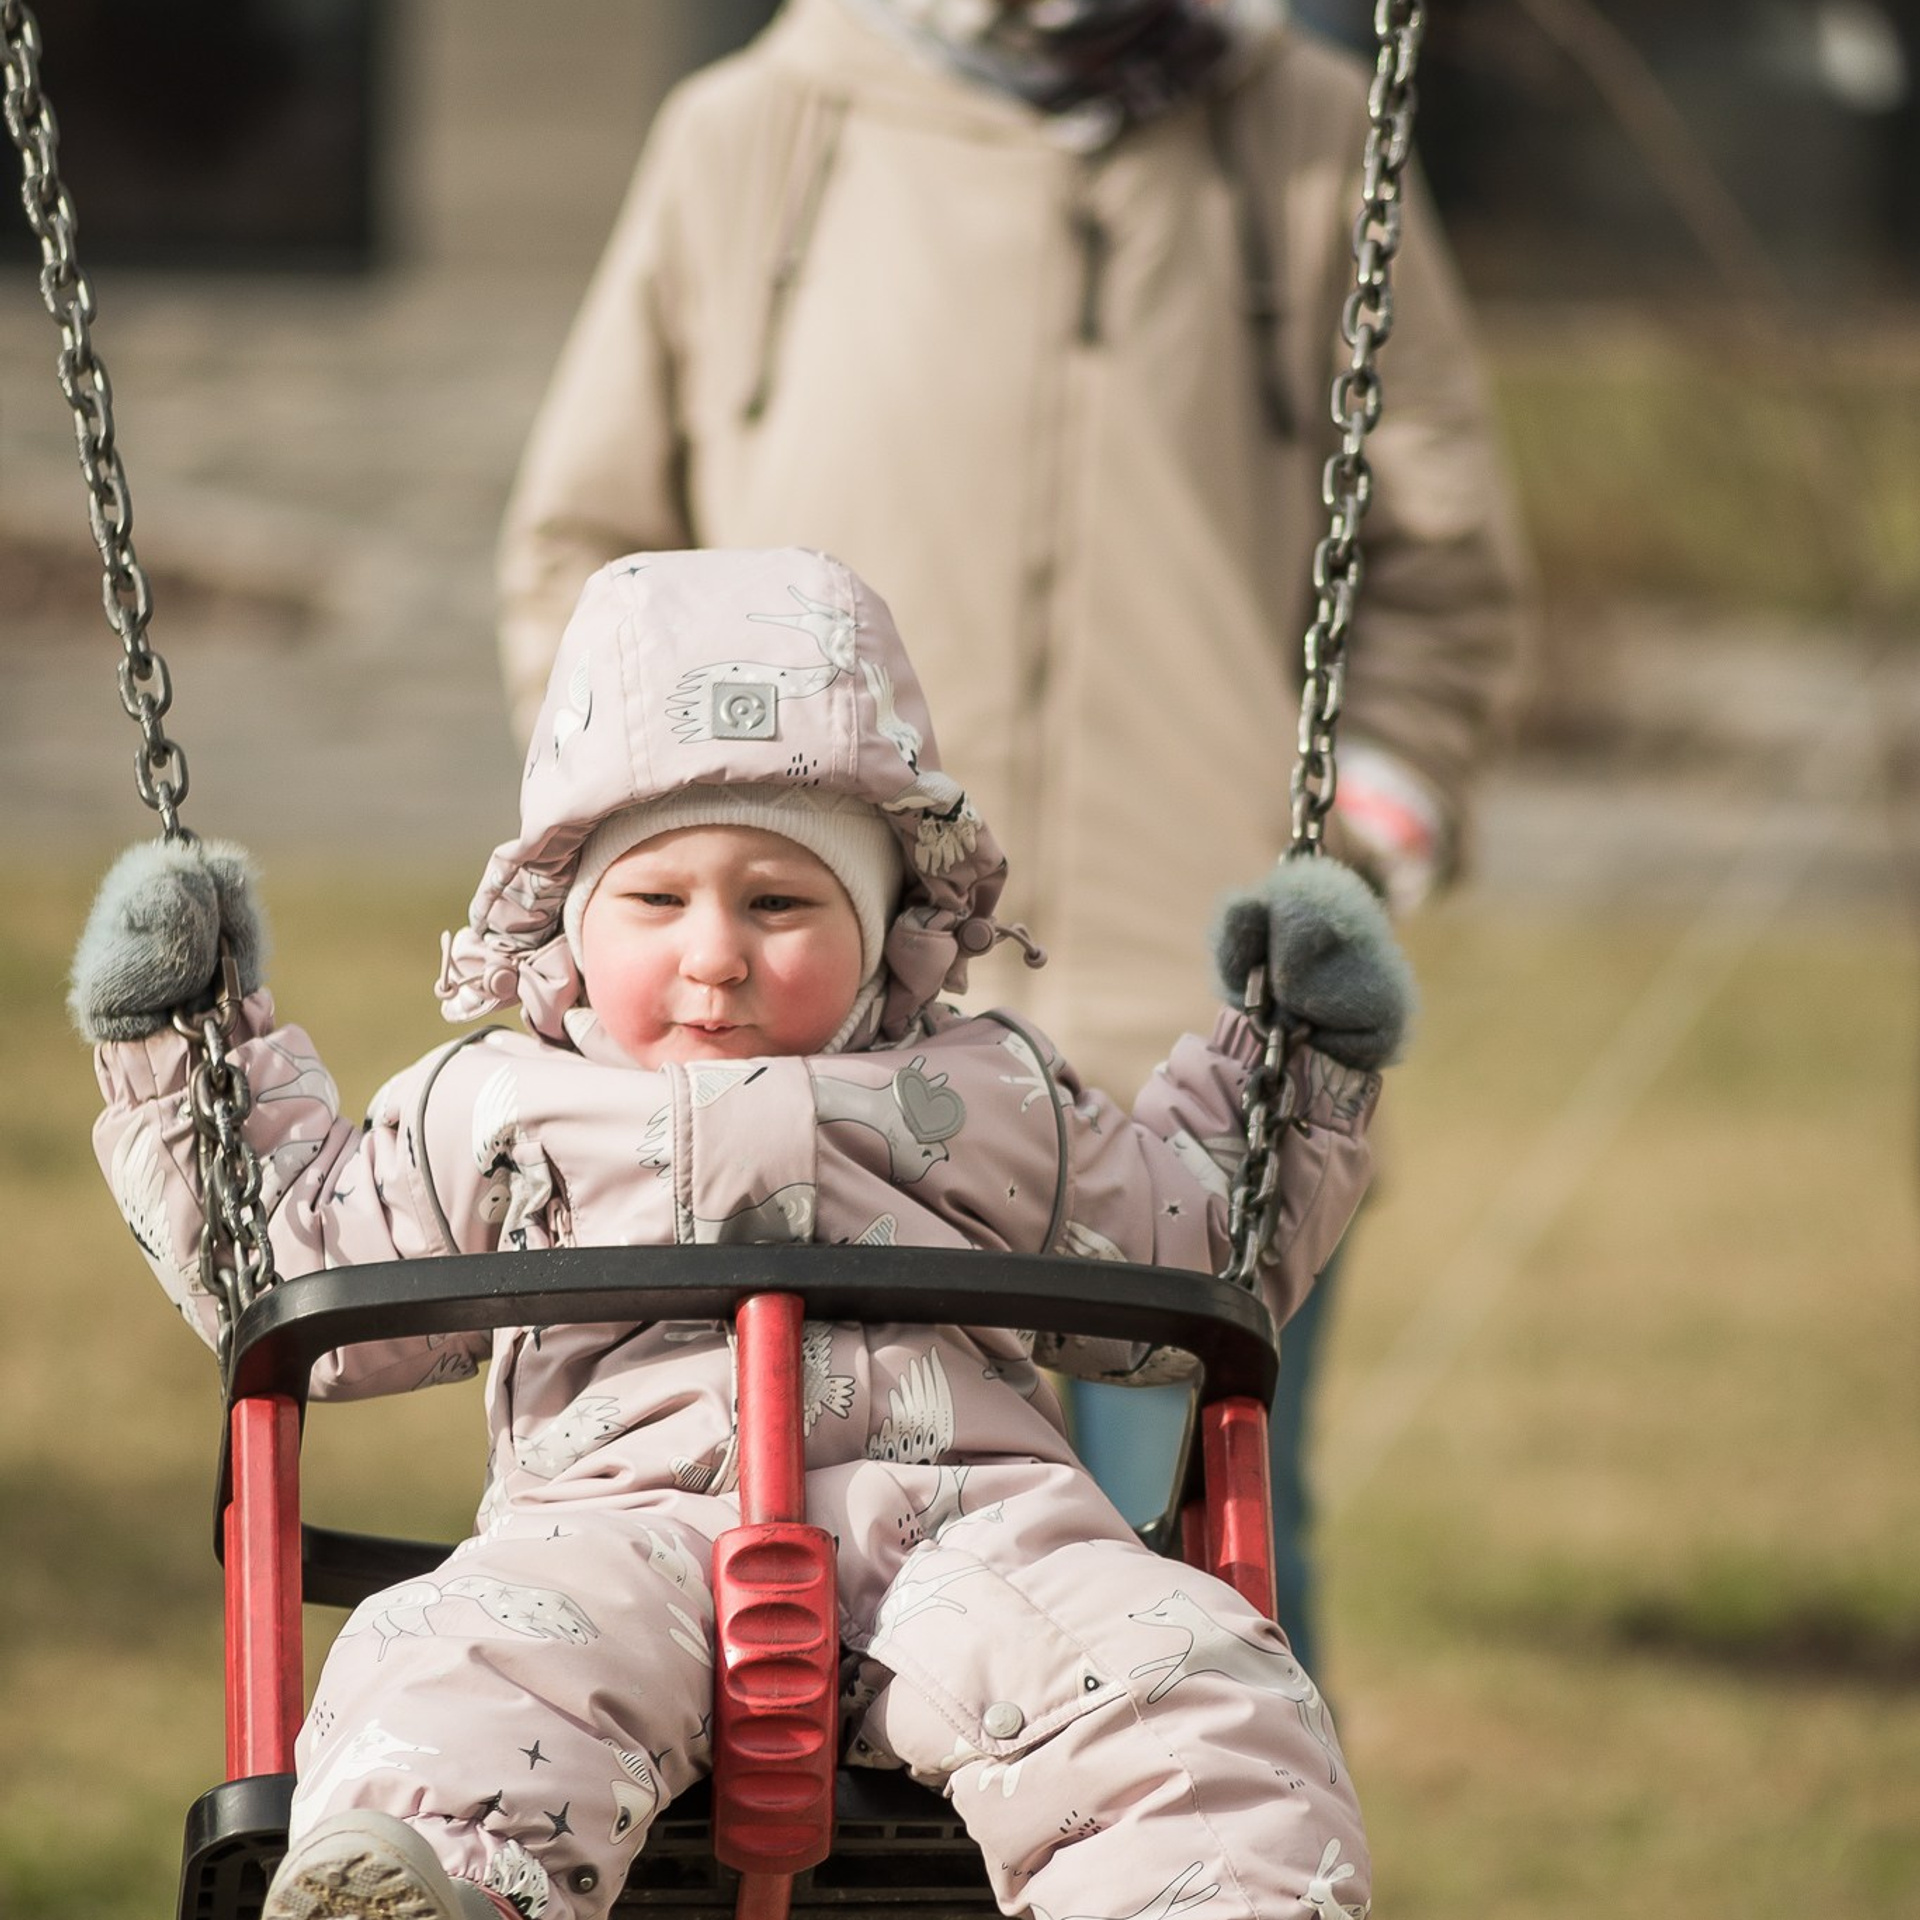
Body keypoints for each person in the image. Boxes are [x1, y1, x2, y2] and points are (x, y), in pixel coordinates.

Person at [72, 548, 1412, 1920]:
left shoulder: (993, 1096)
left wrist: (1296, 1067)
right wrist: (183, 1043)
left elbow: (1192, 1254)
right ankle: (440, 1894)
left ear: (888, 923)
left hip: (971, 1538)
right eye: (658, 902)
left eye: (780, 902)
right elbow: (295, 1266)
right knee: (461, 1657)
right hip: (613, 1534)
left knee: (1183, 1677)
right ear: (574, 925)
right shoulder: (497, 1105)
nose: (715, 954)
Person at [493, 0, 1534, 1677]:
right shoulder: (760, 131)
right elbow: (589, 546)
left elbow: (1440, 563)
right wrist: (661, 876)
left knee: (1197, 1576)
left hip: (1185, 1027)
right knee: (784, 1587)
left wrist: (1355, 847)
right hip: (802, 1048)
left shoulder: (1307, 134)